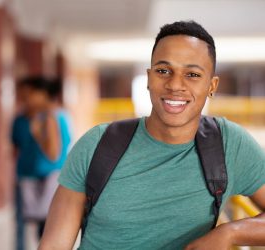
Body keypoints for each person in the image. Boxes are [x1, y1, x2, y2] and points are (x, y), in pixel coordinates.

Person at [38, 21, 265, 250]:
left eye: (193, 74)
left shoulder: (229, 145)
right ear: (148, 78)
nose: (175, 84)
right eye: (163, 71)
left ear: (211, 85)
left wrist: (231, 233)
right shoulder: (98, 144)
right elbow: (54, 245)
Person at [11, 76, 71, 250]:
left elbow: (53, 154)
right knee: (28, 226)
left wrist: (37, 134)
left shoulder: (51, 117)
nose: (26, 98)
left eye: (31, 94)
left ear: (43, 95)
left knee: (46, 229)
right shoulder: (23, 118)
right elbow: (16, 148)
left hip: (50, 178)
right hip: (27, 176)